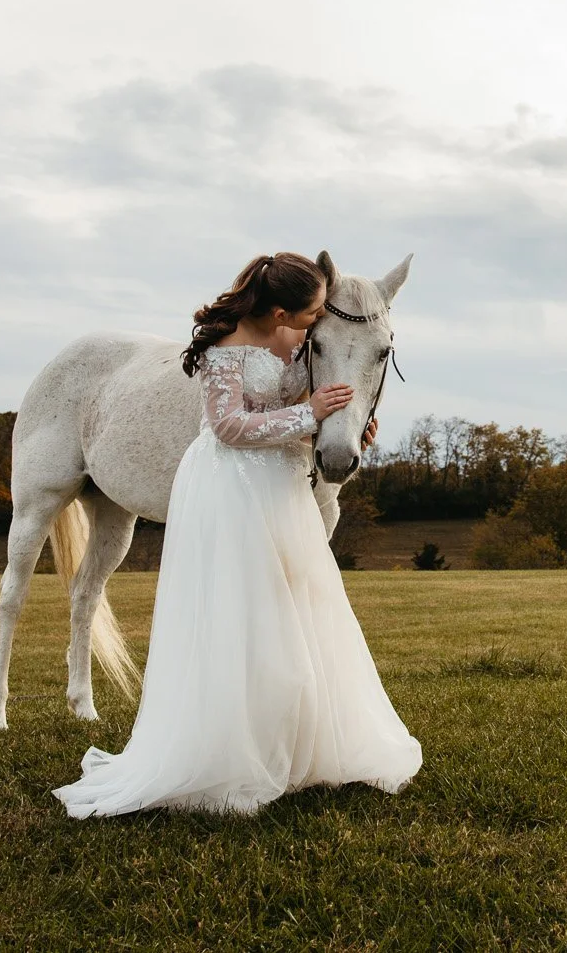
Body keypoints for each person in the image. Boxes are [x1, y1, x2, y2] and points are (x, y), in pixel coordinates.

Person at [53, 252, 422, 817]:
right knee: (234, 611)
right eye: (312, 312)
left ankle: (297, 743)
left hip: (276, 482)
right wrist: (309, 416)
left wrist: (337, 426)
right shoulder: (222, 351)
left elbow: (299, 401)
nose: (316, 321)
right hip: (228, 484)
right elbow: (228, 427)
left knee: (295, 608)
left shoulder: (292, 341)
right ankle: (223, 749)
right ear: (280, 309)